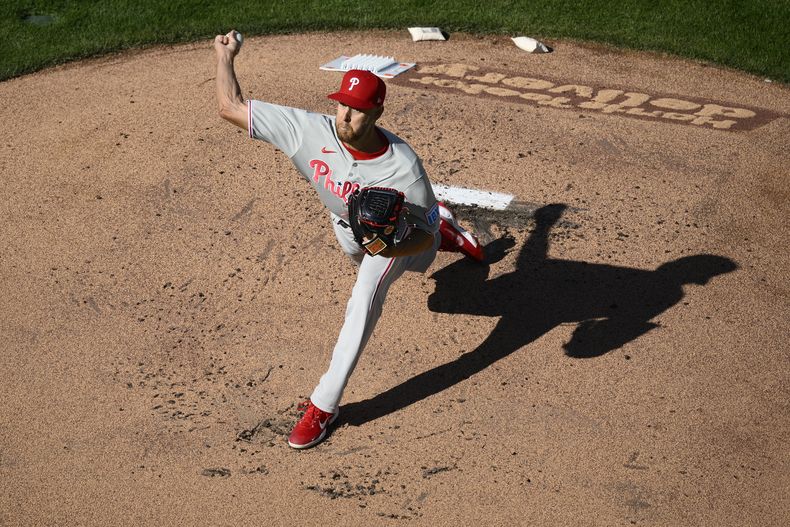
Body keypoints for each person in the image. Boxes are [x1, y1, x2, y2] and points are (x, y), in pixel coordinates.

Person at [213, 30, 483, 449]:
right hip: (349, 232)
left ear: (376, 112)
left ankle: (324, 406)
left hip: (402, 236)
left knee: (364, 299)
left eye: (356, 111)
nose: (344, 118)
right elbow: (230, 107)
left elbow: (419, 235)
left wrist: (390, 247)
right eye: (341, 105)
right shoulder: (308, 131)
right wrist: (225, 57)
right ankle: (449, 231)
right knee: (436, 296)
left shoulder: (406, 171)